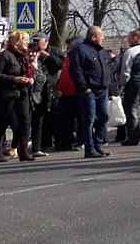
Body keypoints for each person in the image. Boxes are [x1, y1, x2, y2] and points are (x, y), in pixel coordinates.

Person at [0, 31, 38, 162]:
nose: (27, 43)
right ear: (17, 41)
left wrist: (30, 78)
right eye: (25, 40)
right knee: (6, 124)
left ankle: (23, 151)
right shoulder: (4, 56)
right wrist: (14, 79)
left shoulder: (24, 56)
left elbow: (29, 72)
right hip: (7, 95)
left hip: (22, 94)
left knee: (25, 122)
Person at [69, 26, 111, 159]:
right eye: (101, 36)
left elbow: (108, 67)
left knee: (103, 117)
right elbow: (76, 70)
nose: (103, 38)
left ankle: (98, 145)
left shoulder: (102, 51)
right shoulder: (81, 50)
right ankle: (89, 148)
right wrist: (84, 87)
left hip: (103, 89)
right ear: (93, 37)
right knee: (89, 119)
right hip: (89, 90)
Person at [29, 34, 62, 157]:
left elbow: (61, 64)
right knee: (37, 118)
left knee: (51, 117)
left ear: (46, 42)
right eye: (34, 41)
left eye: (38, 41)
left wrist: (47, 56)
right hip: (36, 89)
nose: (35, 43)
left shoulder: (54, 51)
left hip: (51, 89)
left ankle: (50, 142)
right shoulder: (31, 51)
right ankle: (38, 145)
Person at [52, 38, 81, 152]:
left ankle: (79, 142)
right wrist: (58, 88)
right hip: (65, 94)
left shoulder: (79, 57)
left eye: (69, 46)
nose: (67, 48)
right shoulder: (67, 58)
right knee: (65, 120)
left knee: (80, 120)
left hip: (77, 92)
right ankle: (66, 143)